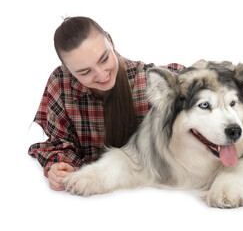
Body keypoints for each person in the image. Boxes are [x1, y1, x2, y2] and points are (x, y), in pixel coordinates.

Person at [28, 16, 191, 191]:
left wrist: (197, 76)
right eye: (85, 72)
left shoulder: (144, 82)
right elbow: (59, 142)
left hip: (148, 191)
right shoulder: (60, 83)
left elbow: (184, 82)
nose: (101, 75)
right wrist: (61, 167)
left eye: (104, 59)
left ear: (110, 41)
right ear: (67, 69)